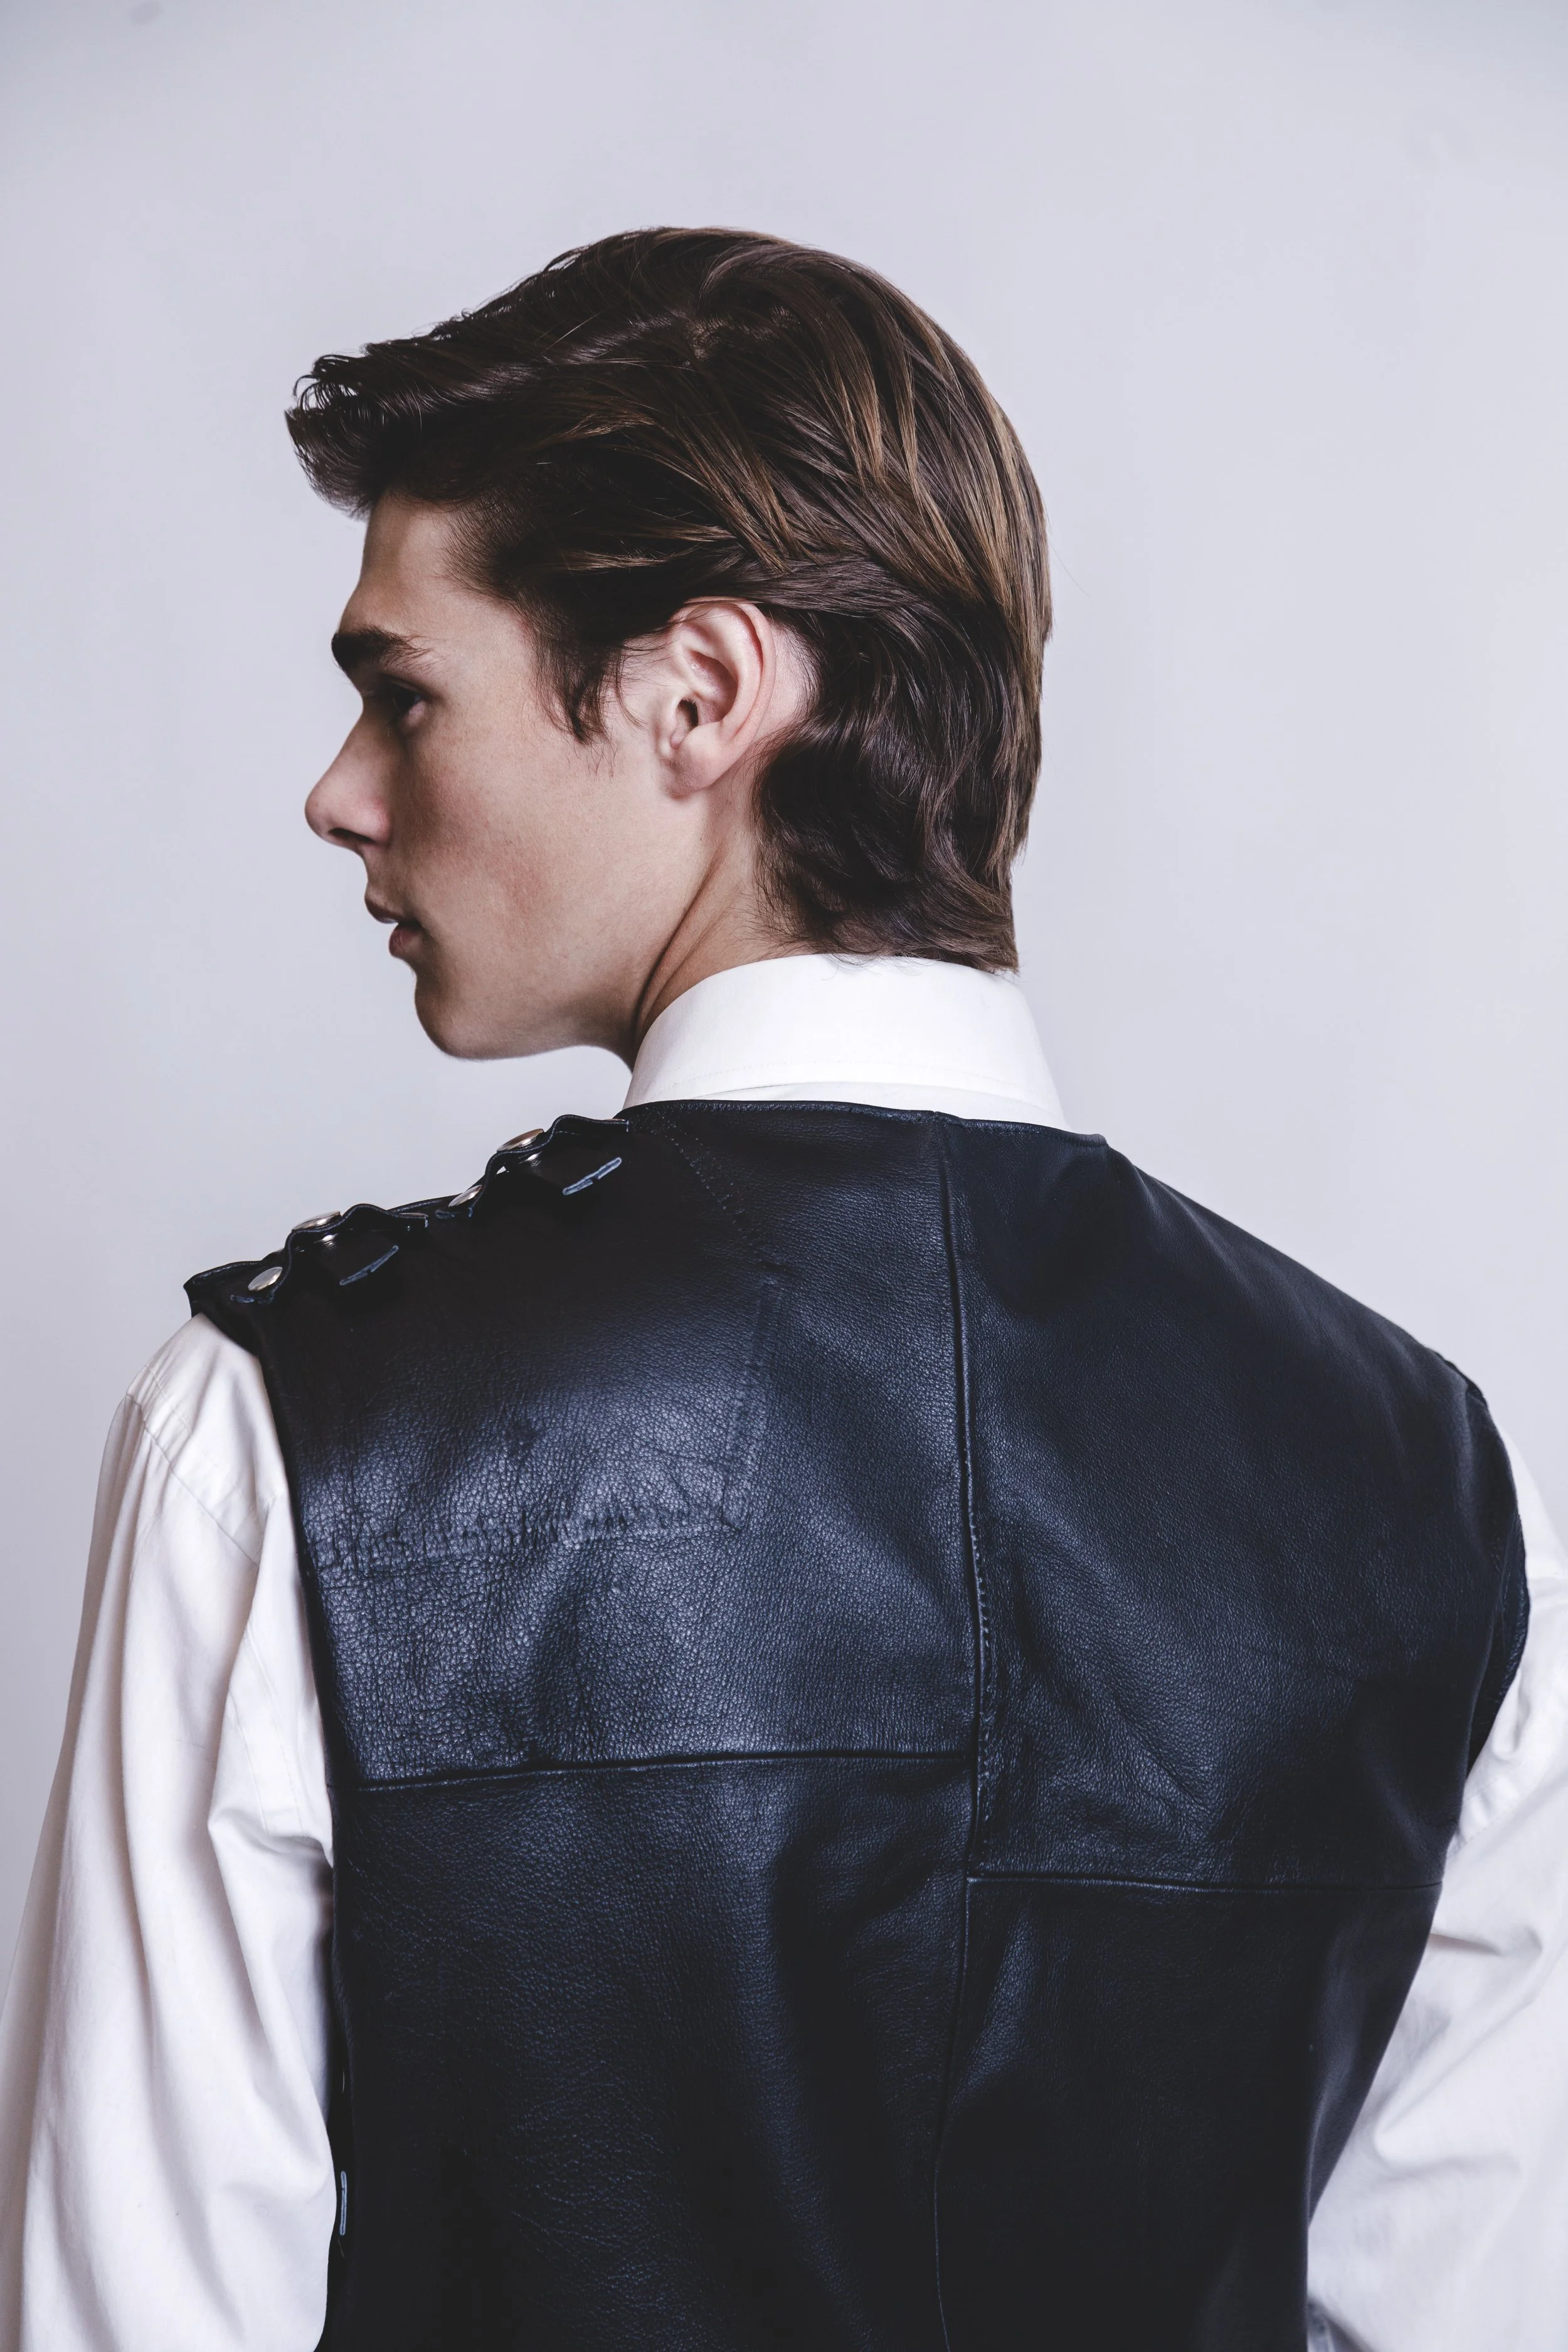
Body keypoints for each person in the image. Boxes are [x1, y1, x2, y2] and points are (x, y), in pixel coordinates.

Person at [1, 227, 1564, 2352]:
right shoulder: (1432, 1487)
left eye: (402, 690)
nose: (339, 791)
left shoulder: (283, 1429)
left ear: (700, 694)